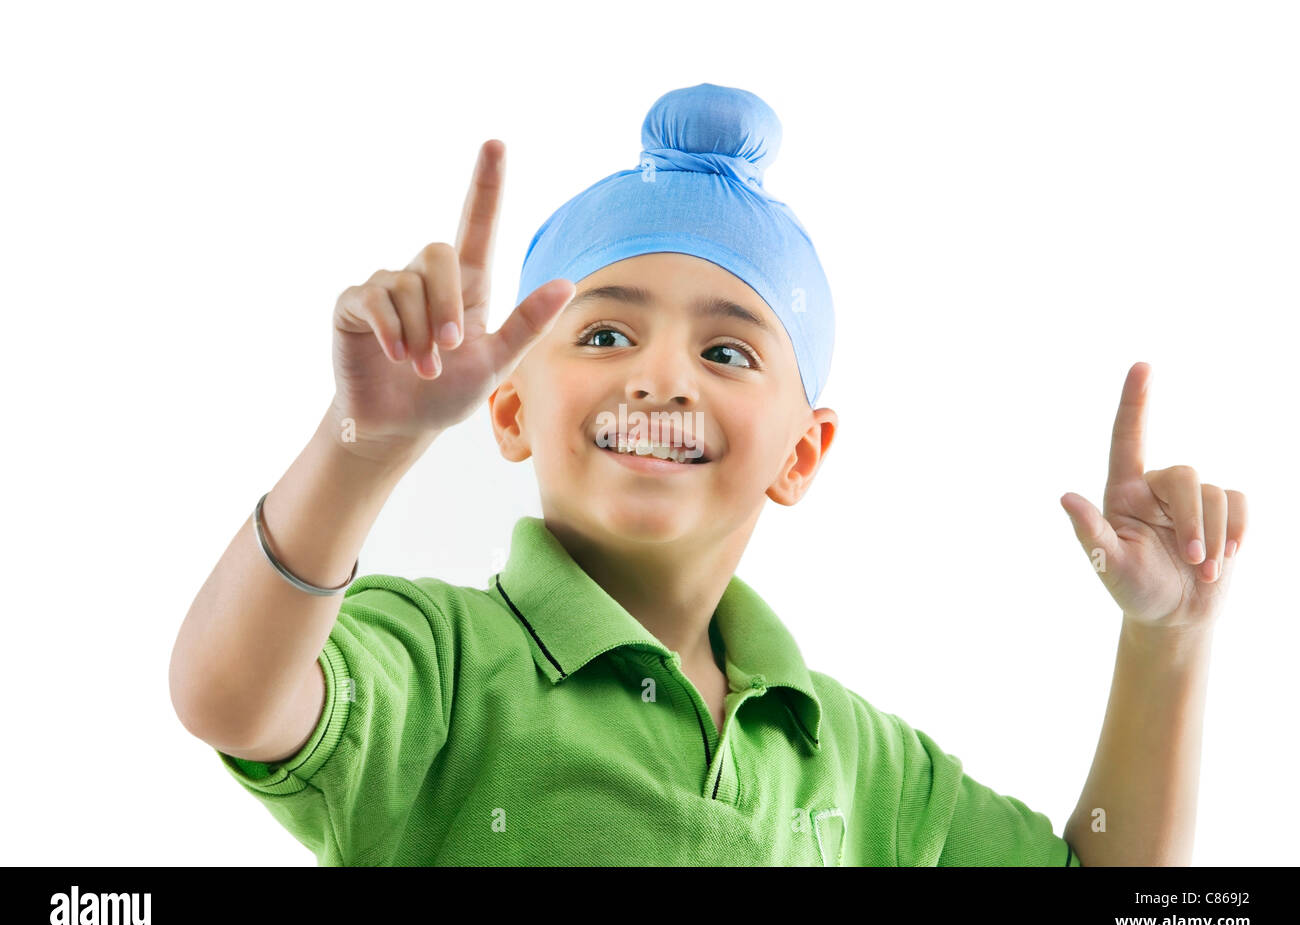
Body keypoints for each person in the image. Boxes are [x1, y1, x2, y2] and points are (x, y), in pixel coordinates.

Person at [170, 83, 1244, 866]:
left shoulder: (859, 761)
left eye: (726, 351)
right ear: (507, 410)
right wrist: (363, 448)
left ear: (801, 453)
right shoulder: (440, 664)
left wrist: (1168, 638)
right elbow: (230, 694)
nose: (659, 376)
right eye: (601, 337)